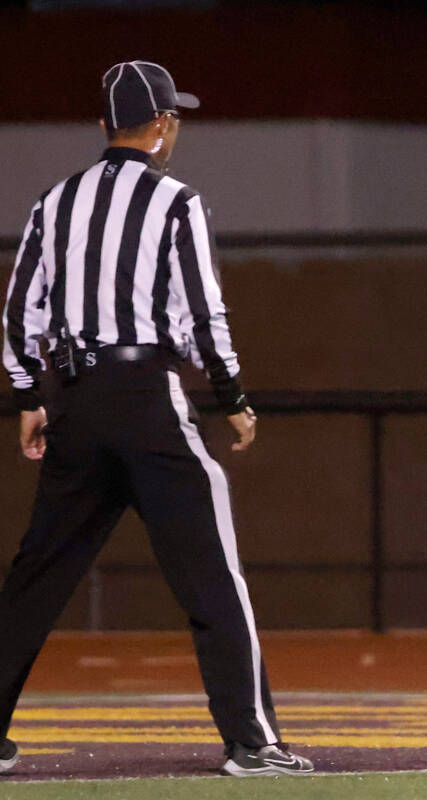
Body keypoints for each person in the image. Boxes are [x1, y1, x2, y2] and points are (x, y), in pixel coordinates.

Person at [0, 61, 312, 778]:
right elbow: (203, 311)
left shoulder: (55, 201)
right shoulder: (175, 199)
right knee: (212, 574)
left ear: (104, 125)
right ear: (164, 124)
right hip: (144, 396)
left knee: (35, 576)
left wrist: (30, 399)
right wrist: (232, 396)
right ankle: (251, 740)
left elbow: (20, 313)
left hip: (74, 400)